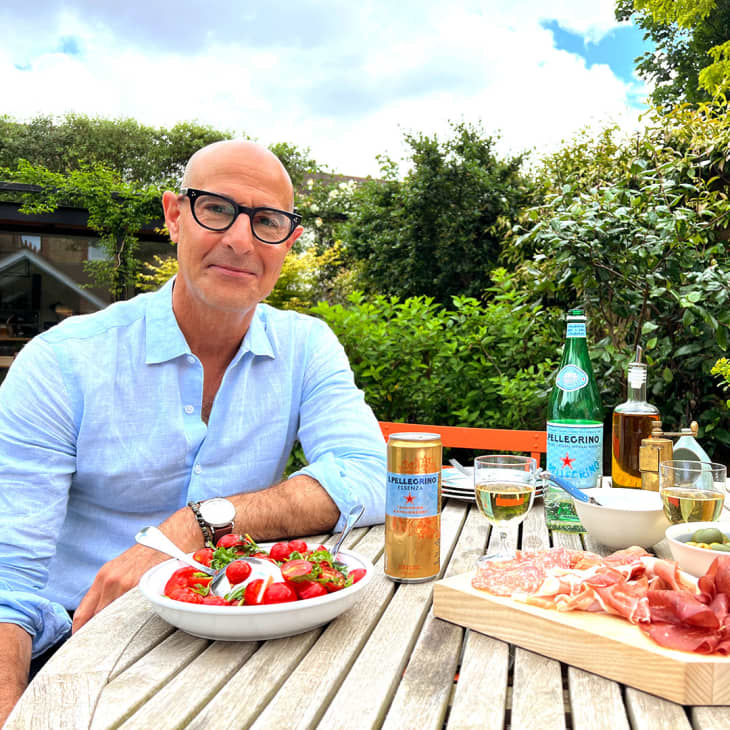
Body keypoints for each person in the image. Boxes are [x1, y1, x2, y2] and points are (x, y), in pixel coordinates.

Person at [0, 140, 386, 725]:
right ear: (175, 216)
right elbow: (8, 582)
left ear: (289, 240)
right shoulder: (63, 361)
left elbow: (371, 473)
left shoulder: (305, 346)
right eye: (217, 209)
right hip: (77, 646)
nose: (240, 239)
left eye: (267, 221)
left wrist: (195, 525)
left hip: (247, 637)